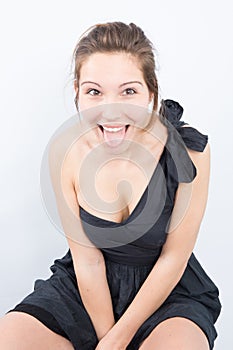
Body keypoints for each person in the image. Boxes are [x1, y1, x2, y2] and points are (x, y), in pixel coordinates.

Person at [0, 21, 221, 349]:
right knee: (10, 338)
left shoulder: (189, 152)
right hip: (87, 288)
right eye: (94, 91)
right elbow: (87, 261)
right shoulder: (66, 154)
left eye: (128, 91)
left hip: (167, 292)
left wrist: (119, 340)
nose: (111, 109)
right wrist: (107, 340)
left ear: (152, 93)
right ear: (77, 92)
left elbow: (174, 258)